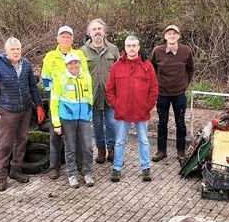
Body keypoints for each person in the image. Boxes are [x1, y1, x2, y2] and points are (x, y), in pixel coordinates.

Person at [0, 37, 45, 191]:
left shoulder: (26, 65)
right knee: (5, 143)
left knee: (22, 140)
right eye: (13, 49)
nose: (16, 52)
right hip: (9, 111)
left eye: (18, 49)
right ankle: (1, 176)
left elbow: (33, 87)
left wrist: (39, 106)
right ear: (6, 51)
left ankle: (16, 170)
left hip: (25, 109)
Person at [106, 36, 159, 182]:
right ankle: (117, 168)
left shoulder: (147, 66)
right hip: (122, 112)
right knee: (119, 141)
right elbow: (110, 89)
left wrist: (147, 106)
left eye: (134, 45)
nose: (132, 48)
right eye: (129, 45)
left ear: (139, 47)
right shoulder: (117, 66)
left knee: (144, 140)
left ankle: (145, 168)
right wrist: (116, 104)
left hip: (141, 111)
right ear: (125, 47)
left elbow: (154, 89)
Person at [41, 26, 89, 179]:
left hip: (76, 106)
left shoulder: (79, 55)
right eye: (63, 36)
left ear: (72, 39)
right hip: (58, 104)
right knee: (55, 135)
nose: (66, 39)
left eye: (69, 37)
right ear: (57, 39)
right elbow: (46, 80)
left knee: (78, 137)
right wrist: (55, 99)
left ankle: (80, 165)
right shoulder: (50, 57)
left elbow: (85, 76)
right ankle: (54, 167)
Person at [150, 24, 195, 164]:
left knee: (180, 123)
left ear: (179, 36)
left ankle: (180, 151)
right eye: (169, 33)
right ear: (165, 36)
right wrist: (156, 86)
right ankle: (161, 151)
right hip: (162, 93)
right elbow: (152, 69)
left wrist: (185, 85)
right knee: (162, 123)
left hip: (179, 94)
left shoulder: (186, 51)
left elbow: (191, 69)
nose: (172, 36)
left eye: (174, 33)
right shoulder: (157, 51)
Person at [80, 18, 121, 164]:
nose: (97, 31)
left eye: (99, 28)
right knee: (97, 124)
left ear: (104, 31)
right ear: (89, 33)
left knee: (111, 122)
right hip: (92, 95)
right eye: (94, 29)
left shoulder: (113, 49)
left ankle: (112, 149)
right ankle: (101, 149)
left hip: (110, 94)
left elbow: (120, 70)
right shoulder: (82, 52)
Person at [50, 53, 94, 188]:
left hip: (84, 118)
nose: (73, 66)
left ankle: (87, 173)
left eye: (76, 62)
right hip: (67, 119)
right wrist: (56, 123)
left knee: (88, 147)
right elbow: (54, 102)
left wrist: (89, 113)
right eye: (70, 63)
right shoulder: (60, 79)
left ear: (79, 63)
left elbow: (90, 97)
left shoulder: (86, 76)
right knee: (70, 148)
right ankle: (72, 174)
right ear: (66, 65)